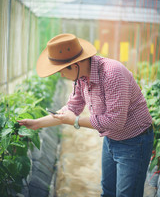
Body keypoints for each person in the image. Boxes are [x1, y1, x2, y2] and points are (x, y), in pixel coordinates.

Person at [18, 33, 154, 197]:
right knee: (108, 191)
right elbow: (71, 108)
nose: (60, 75)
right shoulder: (82, 77)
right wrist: (36, 123)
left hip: (134, 141)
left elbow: (116, 121)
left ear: (74, 65)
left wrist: (75, 121)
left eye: (61, 71)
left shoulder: (112, 74)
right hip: (112, 139)